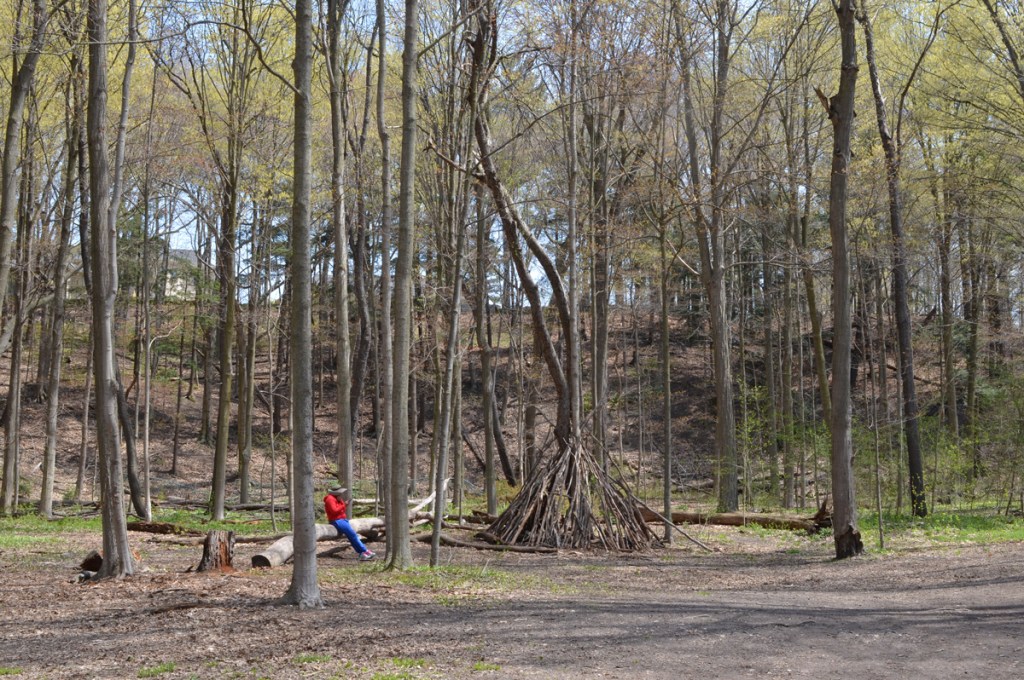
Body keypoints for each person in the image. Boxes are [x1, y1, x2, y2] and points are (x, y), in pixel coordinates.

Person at [324, 485, 375, 560]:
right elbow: (334, 511)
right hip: (336, 521)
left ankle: (363, 552)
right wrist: (344, 505)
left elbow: (341, 510)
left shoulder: (338, 498)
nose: (341, 494)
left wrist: (344, 505)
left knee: (352, 536)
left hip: (342, 520)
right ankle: (364, 551)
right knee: (353, 534)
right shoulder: (330, 499)